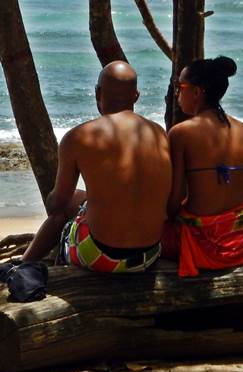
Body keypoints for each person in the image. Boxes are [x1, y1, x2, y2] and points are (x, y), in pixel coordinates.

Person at [18, 61, 171, 273]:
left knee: (63, 211)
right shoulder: (159, 134)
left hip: (100, 257)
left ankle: (21, 266)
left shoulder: (79, 136)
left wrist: (51, 198)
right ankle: (22, 265)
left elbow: (58, 203)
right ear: (136, 95)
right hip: (148, 256)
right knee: (79, 199)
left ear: (97, 92)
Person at [162, 56, 243, 277]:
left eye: (179, 87)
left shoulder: (182, 133)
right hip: (240, 239)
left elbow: (174, 201)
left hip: (203, 244)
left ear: (197, 92)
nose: (177, 94)